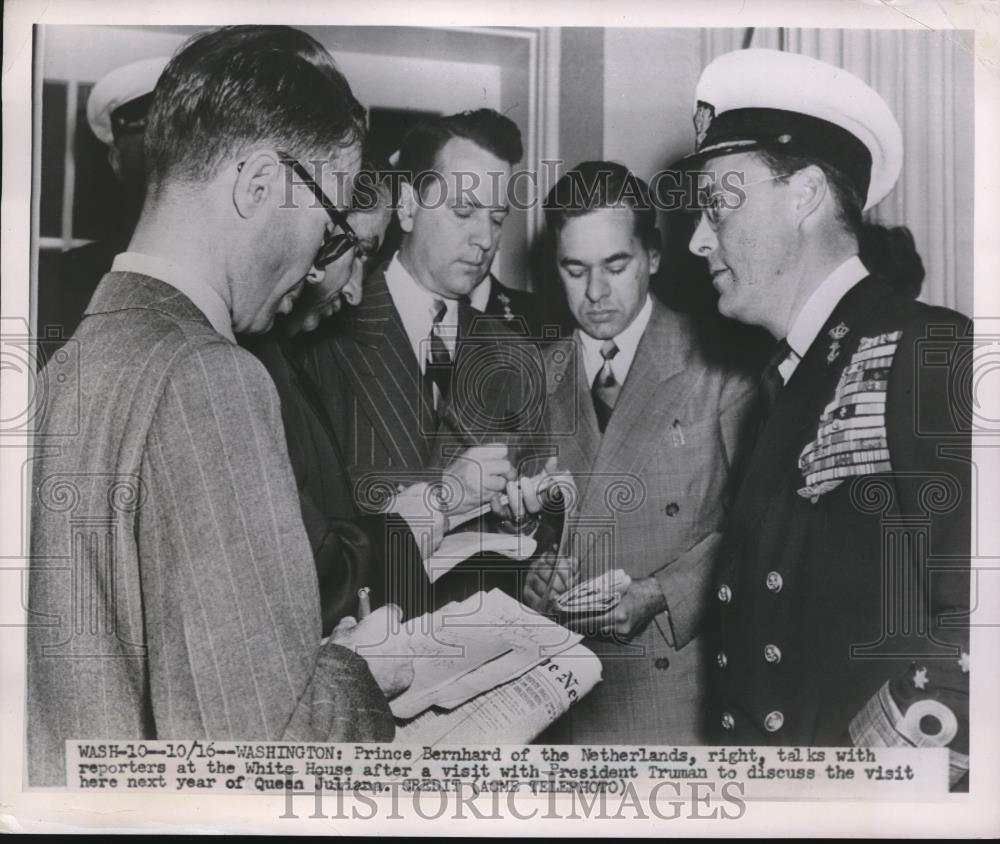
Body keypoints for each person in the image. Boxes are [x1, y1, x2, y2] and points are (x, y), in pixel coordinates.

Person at [27, 25, 420, 787]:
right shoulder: (213, 380)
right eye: (332, 218)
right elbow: (259, 761)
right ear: (260, 183)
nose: (316, 268)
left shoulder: (67, 361)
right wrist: (356, 669)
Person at [680, 48, 970, 788]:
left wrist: (856, 789)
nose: (697, 238)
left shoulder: (924, 348)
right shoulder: (794, 376)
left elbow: (977, 620)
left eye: (718, 203)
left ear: (804, 194)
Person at [519, 161, 756, 744]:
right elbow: (507, 528)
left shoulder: (722, 364)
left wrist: (660, 594)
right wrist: (530, 575)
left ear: (652, 256)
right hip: (560, 699)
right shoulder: (530, 377)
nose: (595, 293)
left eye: (615, 266)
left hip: (674, 696)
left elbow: (757, 528)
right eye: (574, 270)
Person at [298, 109, 551, 606]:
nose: (485, 240)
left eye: (497, 218)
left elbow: (538, 539)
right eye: (464, 211)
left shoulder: (518, 357)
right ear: (408, 207)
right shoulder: (318, 336)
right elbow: (303, 546)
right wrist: (446, 495)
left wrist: (526, 517)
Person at [243, 172, 437, 632]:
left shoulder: (280, 358)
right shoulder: (249, 369)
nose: (354, 291)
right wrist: (401, 533)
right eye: (359, 253)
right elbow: (298, 578)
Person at [39, 56, 168, 347]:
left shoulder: (244, 282)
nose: (169, 157)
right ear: (116, 161)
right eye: (153, 139)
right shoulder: (62, 281)